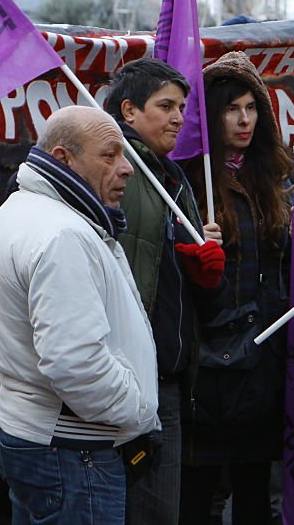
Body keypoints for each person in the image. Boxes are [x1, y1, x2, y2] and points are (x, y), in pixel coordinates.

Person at [0, 106, 159, 525]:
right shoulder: (63, 233)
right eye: (109, 155)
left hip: (45, 439)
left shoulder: (26, 211)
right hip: (75, 453)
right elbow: (74, 363)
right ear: (63, 158)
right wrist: (136, 410)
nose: (126, 168)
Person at [105, 58, 225, 525]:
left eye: (182, 106)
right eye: (166, 105)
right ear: (129, 111)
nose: (178, 117)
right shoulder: (121, 172)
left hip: (167, 378)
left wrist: (206, 274)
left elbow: (193, 292)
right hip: (125, 377)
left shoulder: (171, 177)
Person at [178, 51, 293, 525]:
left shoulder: (268, 175)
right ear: (210, 115)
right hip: (205, 360)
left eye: (251, 108)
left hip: (261, 358)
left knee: (255, 493)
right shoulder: (186, 180)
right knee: (198, 494)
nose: (244, 119)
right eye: (231, 108)